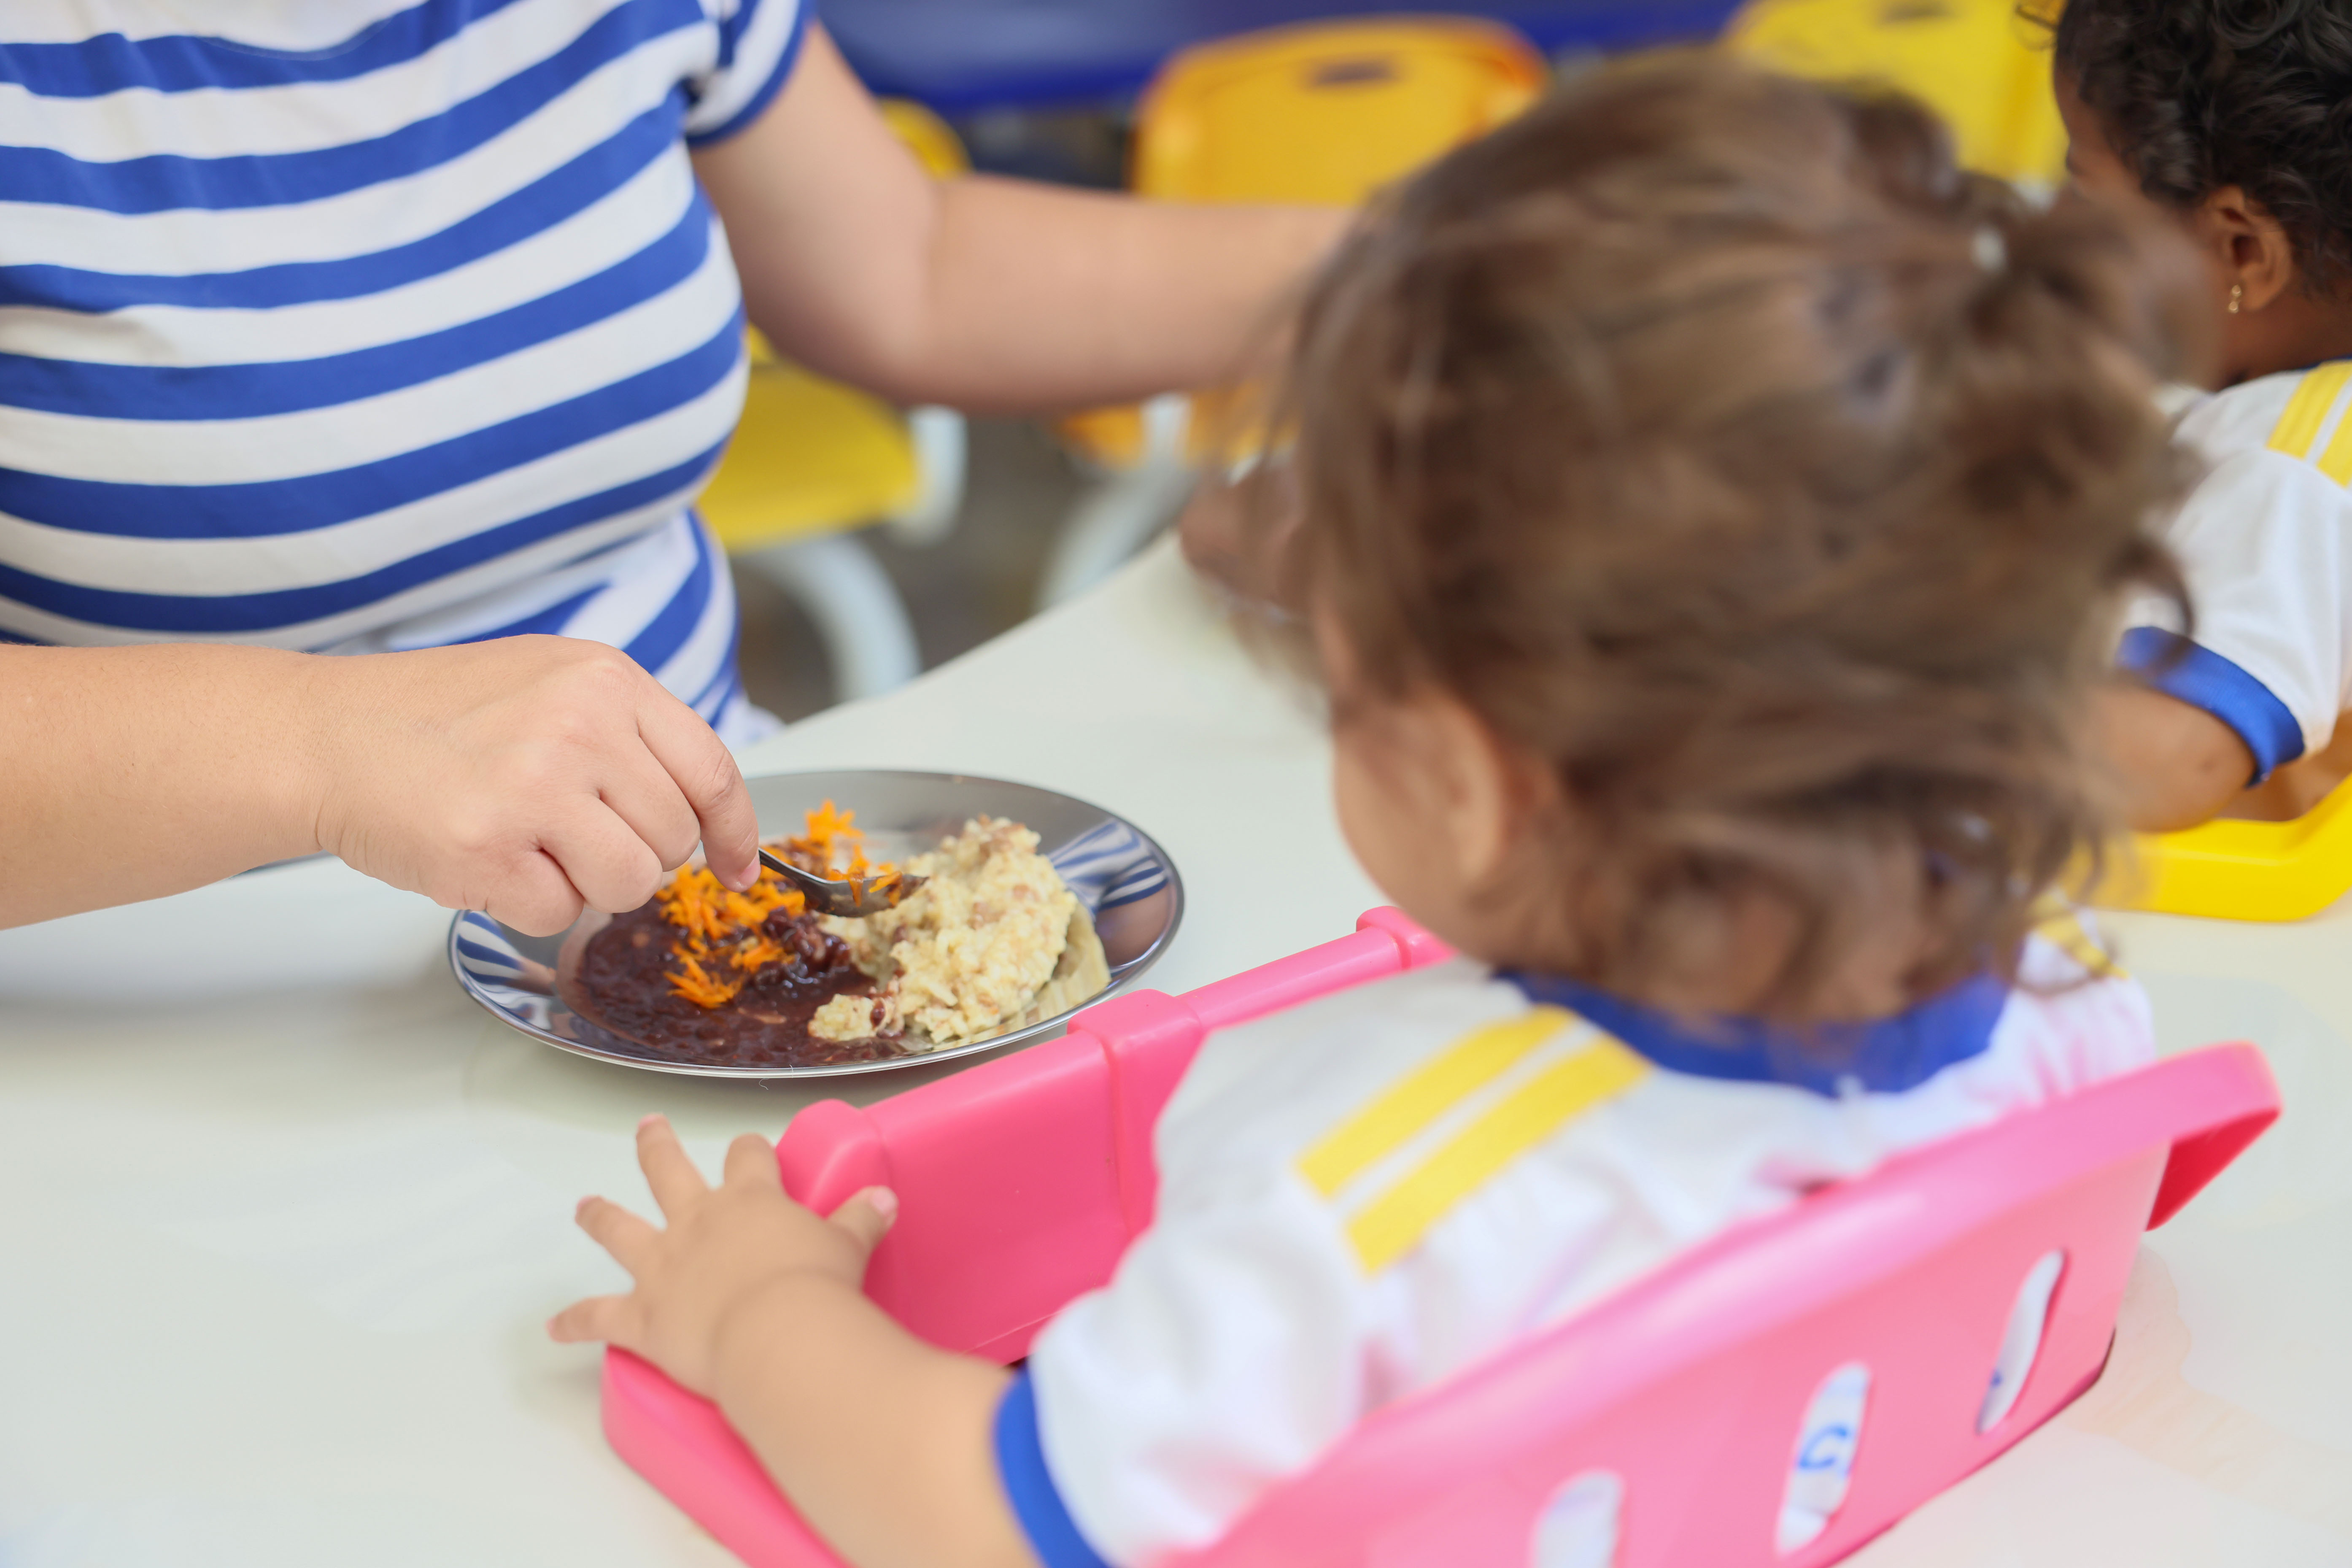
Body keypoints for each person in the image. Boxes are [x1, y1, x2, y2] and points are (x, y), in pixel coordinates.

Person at [548, 59, 2195, 1568]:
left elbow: (993, 1516)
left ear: (1472, 785)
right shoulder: (2066, 984)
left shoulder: (1359, 1193)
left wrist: (757, 1303)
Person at [0, 3, 1341, 929]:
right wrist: (323, 746)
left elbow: (912, 262)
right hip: (170, 994)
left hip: (695, 914)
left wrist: (1432, 255)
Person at [2052, 0, 2352, 828]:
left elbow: (2163, 759)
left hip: (2232, 935)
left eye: (2081, 187)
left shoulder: (2293, 467)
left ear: (2242, 251)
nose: (2053, 224)